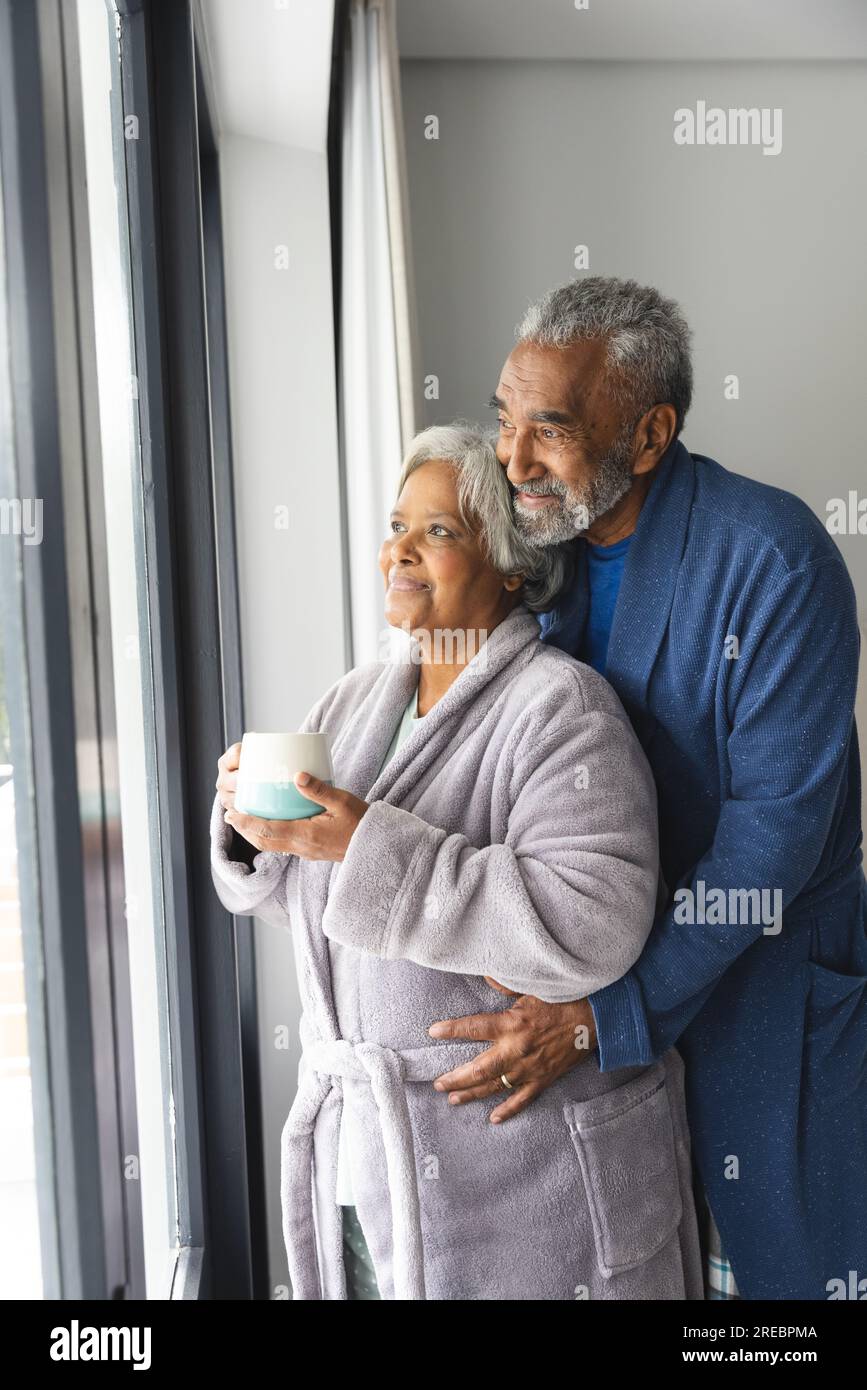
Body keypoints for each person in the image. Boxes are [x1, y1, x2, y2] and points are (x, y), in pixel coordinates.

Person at [424, 275, 867, 1301]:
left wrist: (596, 1015)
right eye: (504, 421)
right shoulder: (537, 557)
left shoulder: (774, 559)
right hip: (600, 1010)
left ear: (651, 431)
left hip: (765, 997)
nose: (515, 459)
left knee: (787, 1296)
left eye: (552, 430)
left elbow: (768, 852)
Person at [210, 423, 703, 1300]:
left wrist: (365, 845)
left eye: (437, 531)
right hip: (368, 1161)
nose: (400, 548)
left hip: (518, 1173)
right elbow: (329, 908)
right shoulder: (357, 699)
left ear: (513, 565)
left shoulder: (560, 709)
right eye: (398, 526)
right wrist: (256, 832)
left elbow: (593, 926)